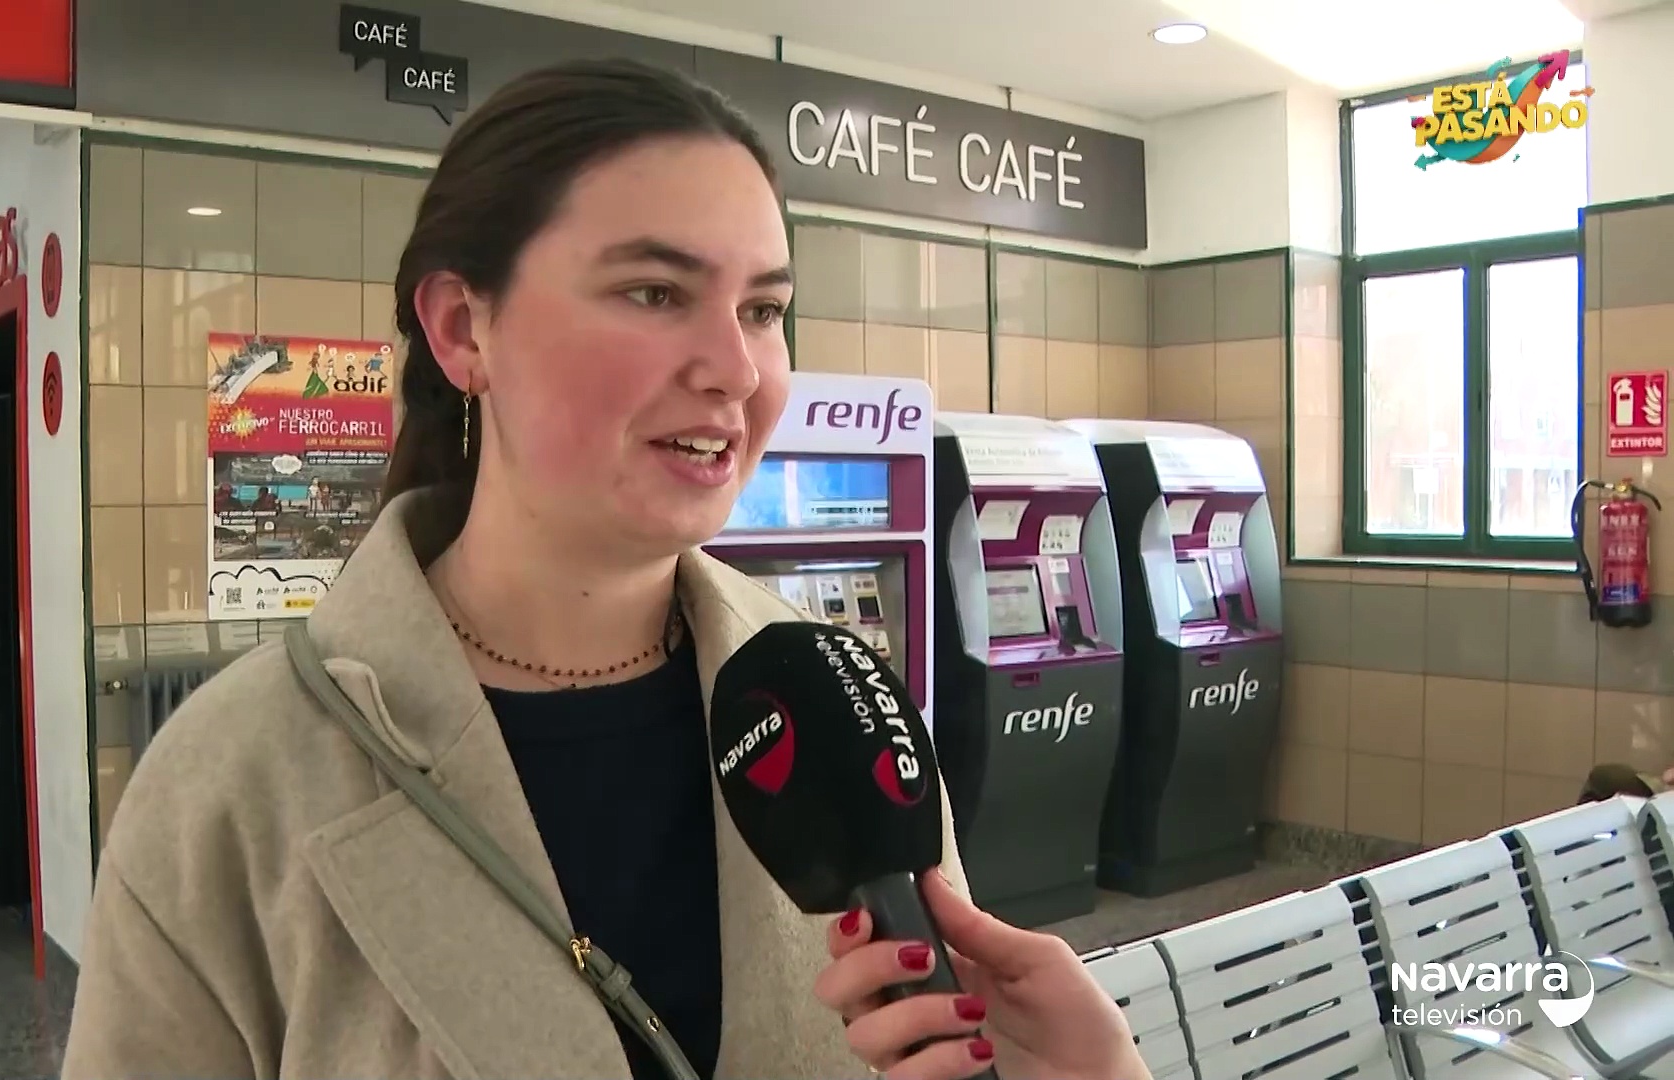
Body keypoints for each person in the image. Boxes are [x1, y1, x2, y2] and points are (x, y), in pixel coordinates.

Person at [61, 58, 1148, 1080]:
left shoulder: (834, 702)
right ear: (461, 329)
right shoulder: (226, 790)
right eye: (653, 293)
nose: (735, 368)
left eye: (763, 309)